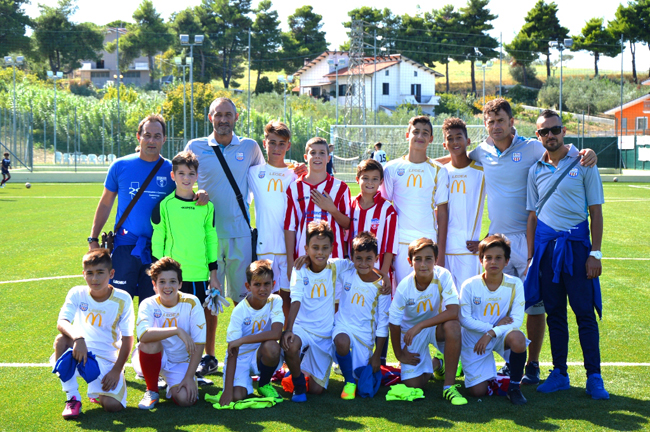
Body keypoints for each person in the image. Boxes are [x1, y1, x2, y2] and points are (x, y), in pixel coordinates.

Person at [435, 98, 597, 384]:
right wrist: (422, 163)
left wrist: (587, 152)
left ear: (512, 122)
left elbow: (563, 151)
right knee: (499, 304)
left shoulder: (532, 147)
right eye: (491, 122)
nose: (496, 126)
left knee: (535, 305)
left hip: (530, 240)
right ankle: (511, 363)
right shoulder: (482, 151)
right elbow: (457, 156)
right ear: (485, 125)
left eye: (501, 120)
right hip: (498, 241)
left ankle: (532, 363)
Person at [525, 109, 608, 400]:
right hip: (547, 253)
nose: (550, 135)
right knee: (555, 313)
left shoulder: (584, 162)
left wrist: (595, 253)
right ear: (538, 136)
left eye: (555, 129)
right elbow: (532, 217)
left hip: (577, 249)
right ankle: (559, 372)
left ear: (563, 131)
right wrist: (531, 257)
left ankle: (594, 377)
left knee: (584, 313)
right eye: (544, 131)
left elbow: (595, 212)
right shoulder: (535, 169)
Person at [88, 114, 207, 303]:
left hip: (158, 251)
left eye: (157, 136)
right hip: (125, 247)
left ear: (164, 139)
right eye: (147, 135)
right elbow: (105, 203)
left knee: (153, 307)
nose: (152, 140)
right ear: (138, 137)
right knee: (118, 304)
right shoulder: (120, 166)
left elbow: (186, 194)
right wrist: (93, 239)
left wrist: (200, 193)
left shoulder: (171, 170)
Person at [151, 150, 221, 380]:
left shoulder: (206, 206)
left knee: (197, 324)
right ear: (173, 176)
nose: (186, 178)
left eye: (191, 174)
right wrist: (158, 274)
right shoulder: (165, 205)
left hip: (200, 275)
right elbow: (158, 240)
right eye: (181, 173)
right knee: (172, 322)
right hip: (173, 278)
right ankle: (165, 370)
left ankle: (198, 367)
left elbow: (211, 239)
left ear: (197, 176)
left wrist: (213, 273)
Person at [52, 249, 134, 418]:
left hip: (108, 359)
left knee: (112, 406)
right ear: (83, 274)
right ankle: (72, 398)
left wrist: (117, 370)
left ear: (111, 273)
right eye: (89, 273)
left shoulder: (123, 299)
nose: (94, 278)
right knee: (61, 340)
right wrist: (79, 338)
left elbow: (128, 339)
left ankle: (97, 392)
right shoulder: (77, 293)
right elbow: (62, 321)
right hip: (80, 352)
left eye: (100, 273)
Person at [388, 238, 467, 406]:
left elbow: (453, 311)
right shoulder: (404, 287)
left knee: (453, 326)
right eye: (418, 259)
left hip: (433, 328)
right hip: (410, 334)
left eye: (428, 259)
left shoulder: (443, 275)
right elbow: (393, 324)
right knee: (413, 384)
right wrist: (399, 354)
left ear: (436, 260)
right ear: (410, 261)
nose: (423, 264)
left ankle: (449, 387)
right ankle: (438, 364)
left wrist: (421, 325)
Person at [282, 221, 352, 402]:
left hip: (324, 335)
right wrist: (288, 329)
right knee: (291, 345)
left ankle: (303, 363)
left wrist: (382, 276)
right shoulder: (299, 269)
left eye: (324, 248)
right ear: (306, 248)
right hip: (302, 329)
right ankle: (298, 384)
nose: (320, 252)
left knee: (316, 390)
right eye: (315, 248)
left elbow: (360, 264)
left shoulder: (336, 266)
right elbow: (296, 300)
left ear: (332, 249)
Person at [459, 234, 529, 405]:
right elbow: (464, 319)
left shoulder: (515, 284)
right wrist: (493, 327)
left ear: (507, 261)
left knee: (518, 338)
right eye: (488, 258)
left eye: (498, 258)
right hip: (474, 339)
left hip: (498, 335)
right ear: (481, 260)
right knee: (477, 392)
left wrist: (491, 333)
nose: (493, 262)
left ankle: (514, 387)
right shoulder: (469, 285)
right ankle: (495, 378)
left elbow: (517, 321)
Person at [380, 115, 449, 284]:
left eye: (425, 133)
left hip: (428, 240)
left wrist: (440, 252)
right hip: (400, 241)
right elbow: (383, 208)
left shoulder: (439, 170)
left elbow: (442, 212)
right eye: (416, 132)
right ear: (407, 135)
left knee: (428, 291)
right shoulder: (391, 168)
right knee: (402, 290)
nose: (420, 136)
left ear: (431, 139)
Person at [133, 257, 206, 409]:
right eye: (162, 282)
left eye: (172, 281)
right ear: (154, 285)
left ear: (180, 284)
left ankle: (175, 382)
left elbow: (199, 344)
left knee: (186, 400)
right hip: (154, 356)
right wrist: (177, 330)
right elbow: (144, 335)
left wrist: (189, 377)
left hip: (181, 362)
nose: (167, 286)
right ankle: (152, 390)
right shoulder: (148, 303)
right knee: (150, 342)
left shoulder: (192, 302)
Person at [248, 121, 298, 320]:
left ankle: (287, 336)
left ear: (288, 146)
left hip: (289, 247)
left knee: (287, 298)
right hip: (265, 246)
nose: (277, 148)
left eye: (281, 143)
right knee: (266, 298)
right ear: (264, 143)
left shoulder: (296, 174)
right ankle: (268, 338)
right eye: (272, 142)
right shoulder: (253, 172)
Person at [333, 232, 391, 400]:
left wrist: (377, 355)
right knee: (341, 341)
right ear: (352, 257)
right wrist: (307, 259)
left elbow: (383, 323)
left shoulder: (382, 286)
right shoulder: (347, 272)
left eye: (368, 259)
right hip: (343, 327)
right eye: (359, 258)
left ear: (376, 258)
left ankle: (351, 371)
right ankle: (349, 381)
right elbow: (324, 263)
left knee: (364, 385)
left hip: (364, 337)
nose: (363, 263)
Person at [219, 260, 284, 406]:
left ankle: (264, 384)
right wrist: (227, 390)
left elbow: (276, 333)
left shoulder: (275, 301)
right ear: (248, 286)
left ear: (273, 284)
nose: (262, 289)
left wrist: (242, 340)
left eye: (266, 284)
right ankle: (242, 382)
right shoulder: (239, 311)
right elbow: (233, 349)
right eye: (257, 284)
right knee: (237, 396)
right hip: (239, 358)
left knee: (273, 347)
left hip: (260, 354)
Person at [284, 137, 351, 275]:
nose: (317, 156)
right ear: (305, 157)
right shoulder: (294, 187)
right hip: (302, 257)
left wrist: (332, 209)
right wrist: (290, 261)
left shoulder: (341, 187)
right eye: (313, 152)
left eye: (322, 153)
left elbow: (347, 224)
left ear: (328, 158)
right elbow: (290, 227)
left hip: (333, 257)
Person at [441, 118, 485, 290]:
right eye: (450, 138)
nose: (455, 142)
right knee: (445, 301)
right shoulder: (441, 172)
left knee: (468, 301)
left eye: (459, 137)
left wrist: (486, 240)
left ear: (468, 141)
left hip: (470, 251)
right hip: (444, 250)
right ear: (444, 145)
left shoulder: (482, 171)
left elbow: (500, 207)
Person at [349, 159, 398, 283]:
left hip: (377, 272)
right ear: (357, 179)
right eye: (365, 178)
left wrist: (383, 274)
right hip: (352, 270)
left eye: (375, 179)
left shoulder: (388, 209)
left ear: (381, 182)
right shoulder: (351, 205)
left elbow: (390, 247)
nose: (370, 182)